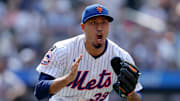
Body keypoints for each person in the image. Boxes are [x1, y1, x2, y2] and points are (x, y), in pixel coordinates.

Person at [34, 4, 142, 101]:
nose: (99, 28)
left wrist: (131, 93)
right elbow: (39, 91)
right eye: (94, 23)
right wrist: (67, 79)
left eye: (104, 23)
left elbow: (137, 97)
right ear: (83, 27)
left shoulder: (121, 56)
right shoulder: (62, 49)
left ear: (109, 26)